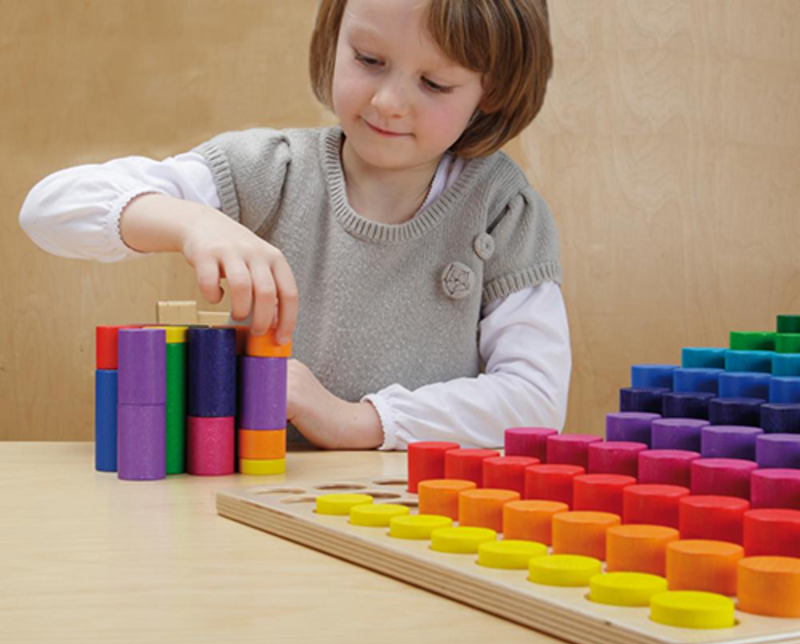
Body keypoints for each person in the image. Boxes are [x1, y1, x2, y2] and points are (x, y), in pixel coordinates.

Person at [20, 0, 571, 451]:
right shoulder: (270, 171)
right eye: (368, 59)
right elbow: (47, 209)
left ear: (491, 91)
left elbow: (534, 401)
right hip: (257, 505)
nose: (388, 102)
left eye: (434, 83)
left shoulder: (504, 210)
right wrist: (192, 222)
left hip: (418, 515)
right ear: (335, 38)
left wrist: (354, 421)